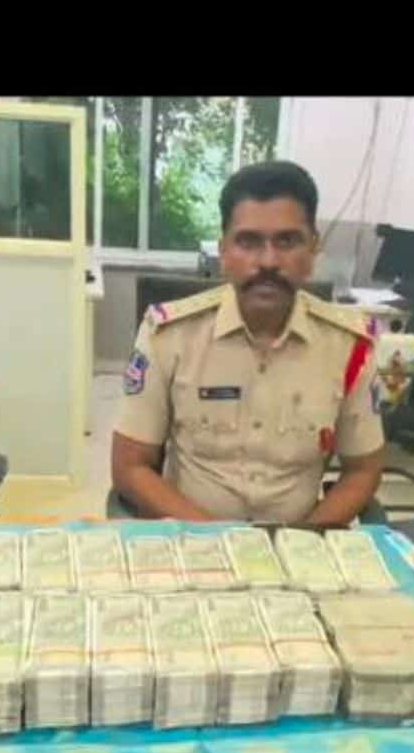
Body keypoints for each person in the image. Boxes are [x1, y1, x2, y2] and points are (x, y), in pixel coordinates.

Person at [111, 160, 385, 524]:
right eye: (248, 241)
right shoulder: (168, 336)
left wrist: (304, 539)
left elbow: (363, 470)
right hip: (193, 539)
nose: (268, 261)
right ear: (224, 251)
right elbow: (130, 467)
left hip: (299, 543)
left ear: (312, 250)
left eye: (287, 241)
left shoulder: (351, 347)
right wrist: (220, 540)